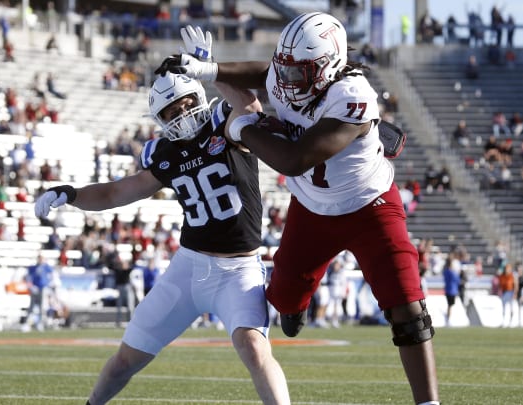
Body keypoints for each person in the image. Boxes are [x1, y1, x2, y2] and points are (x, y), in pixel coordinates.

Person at [156, 14, 438, 404]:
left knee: (407, 307)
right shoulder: (293, 74)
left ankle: (429, 402)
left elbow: (294, 160)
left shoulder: (352, 96)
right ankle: (295, 306)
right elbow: (266, 72)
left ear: (330, 65)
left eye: (297, 70)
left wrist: (244, 130)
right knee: (284, 302)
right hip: (312, 207)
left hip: (369, 207)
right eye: (284, 66)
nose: (285, 79)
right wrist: (211, 69)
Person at [34, 29, 289, 404]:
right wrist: (70, 193)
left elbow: (250, 109)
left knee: (254, 347)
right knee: (125, 360)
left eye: (186, 103)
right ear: (159, 118)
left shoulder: (225, 122)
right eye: (172, 111)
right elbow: (116, 192)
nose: (182, 114)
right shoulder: (164, 154)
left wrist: (209, 70)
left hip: (240, 270)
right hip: (188, 268)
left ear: (198, 96)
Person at [23, 253, 55, 332]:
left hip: (43, 289)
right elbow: (27, 278)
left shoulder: (46, 267)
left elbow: (51, 277)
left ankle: (40, 323)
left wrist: (48, 286)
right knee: (32, 307)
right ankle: (28, 324)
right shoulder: (33, 268)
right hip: (35, 289)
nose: (40, 260)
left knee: (42, 307)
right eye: (39, 258)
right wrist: (31, 287)